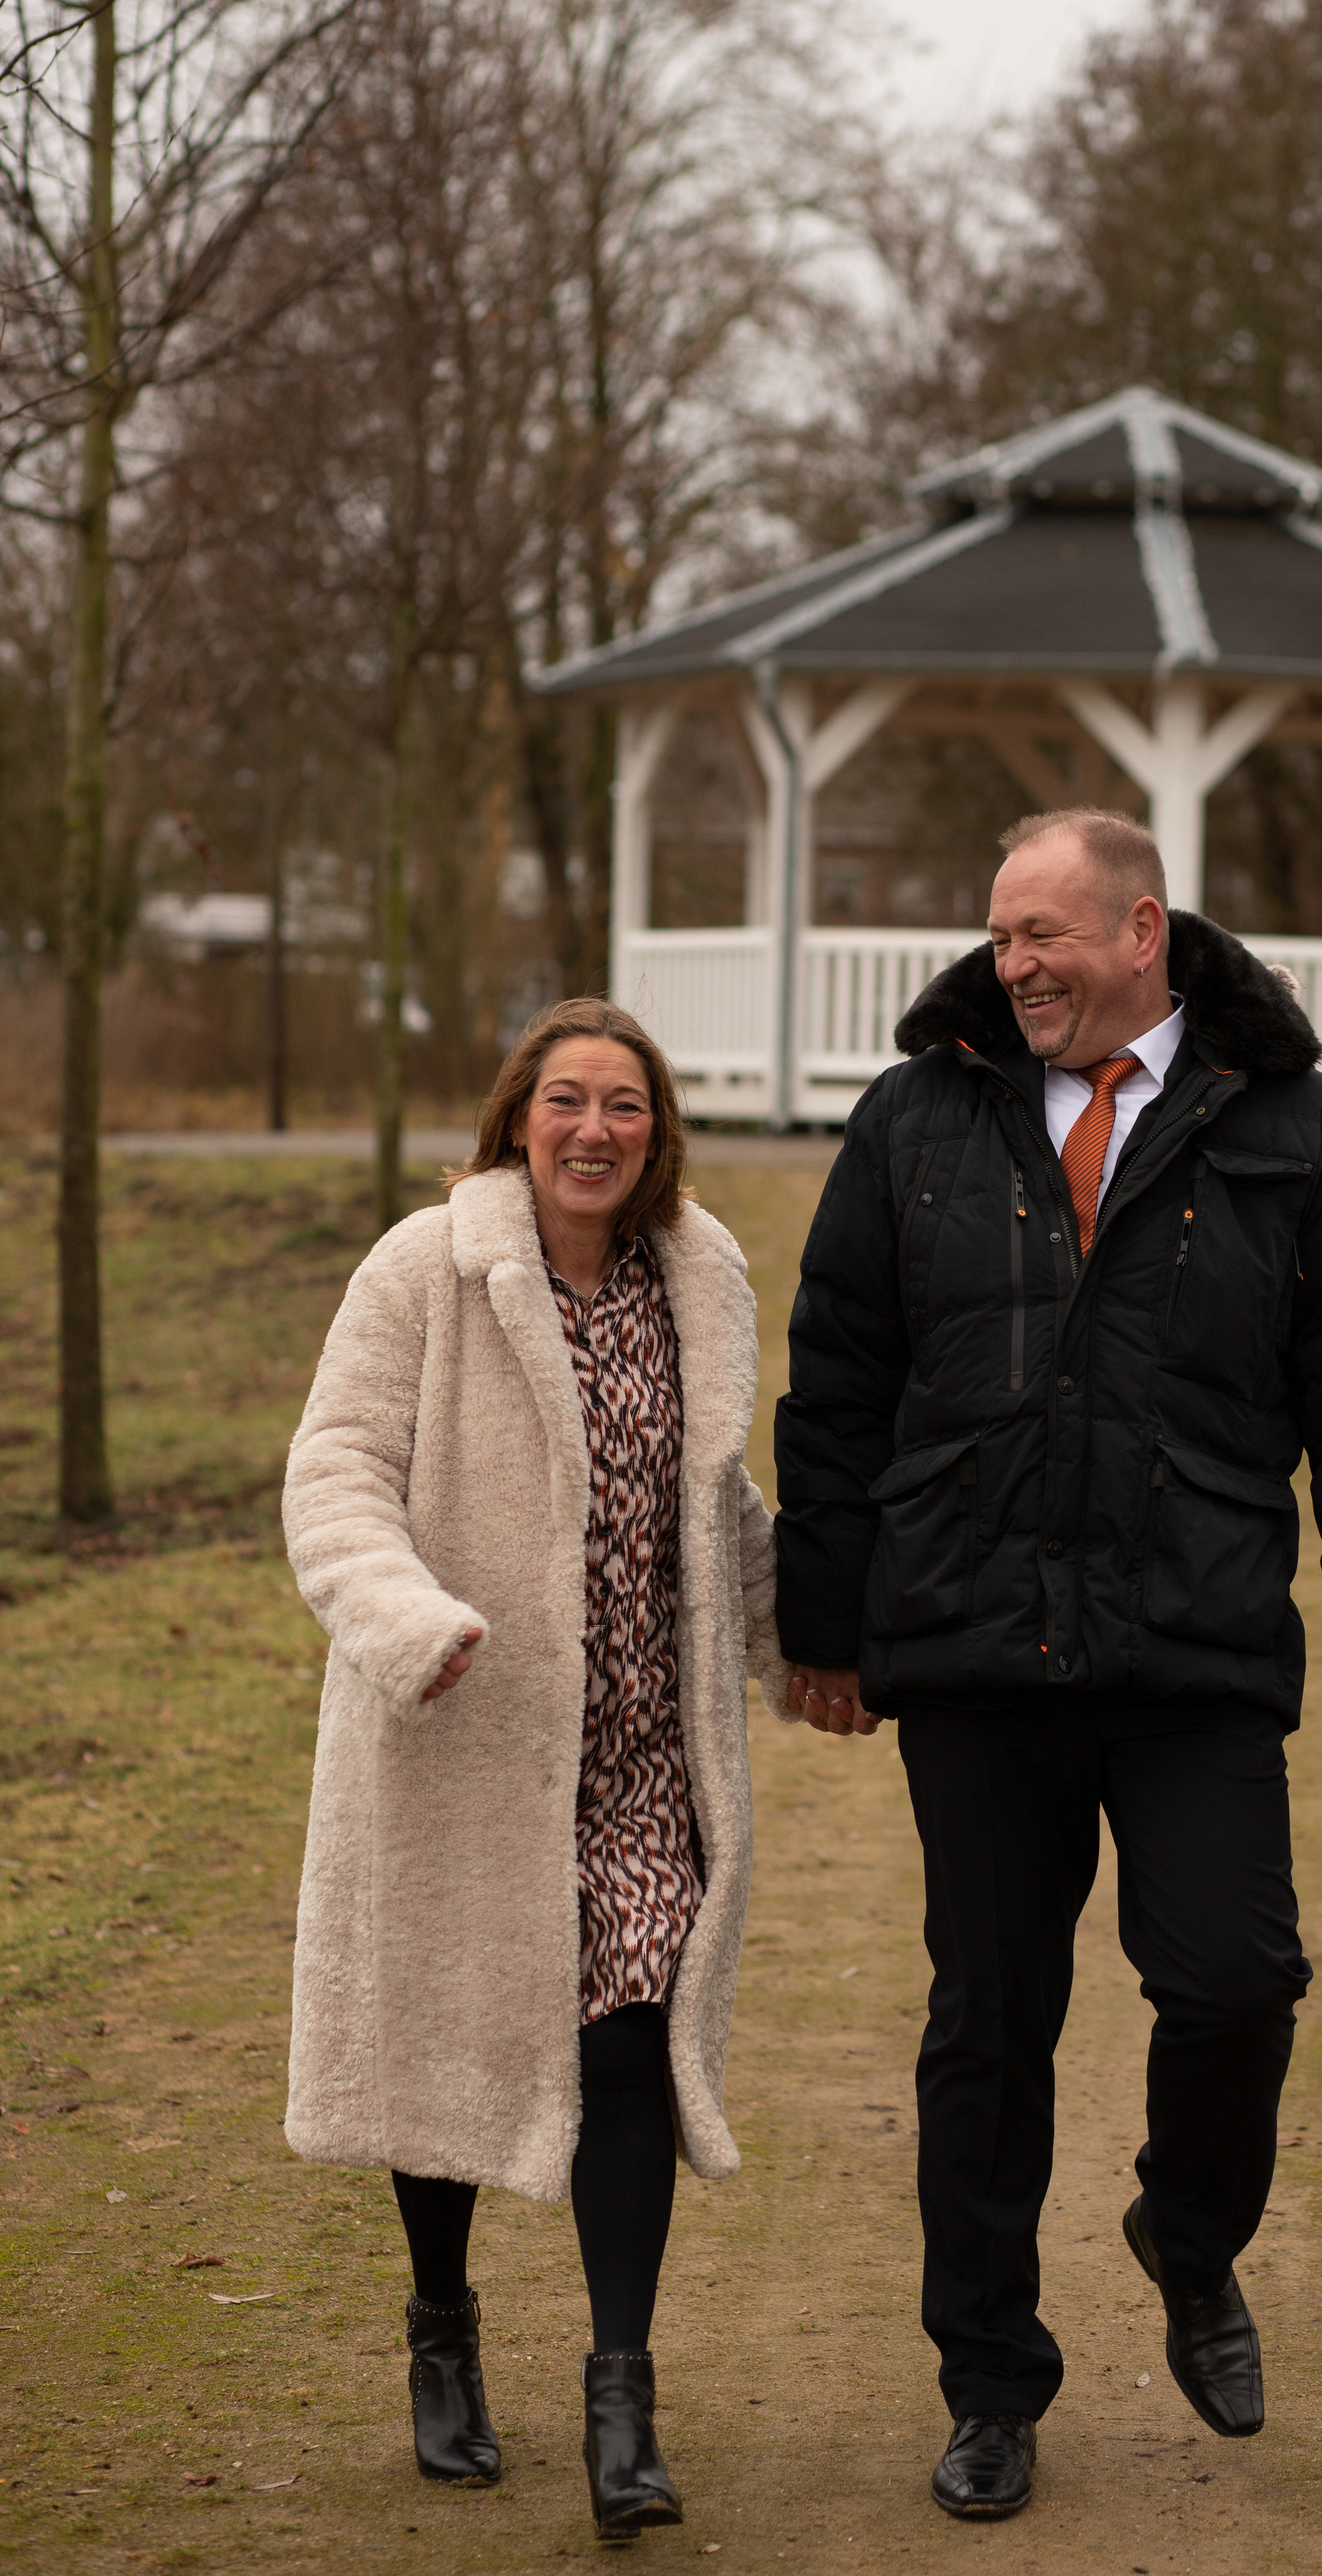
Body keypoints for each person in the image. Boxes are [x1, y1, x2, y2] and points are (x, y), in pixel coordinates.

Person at [770, 807, 1322, 2521]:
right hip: (975, 1646)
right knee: (987, 2030)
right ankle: (990, 2384)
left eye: (1043, 935)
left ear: (1140, 928)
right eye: (999, 938)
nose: (1014, 968)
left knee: (1234, 1985)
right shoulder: (917, 1116)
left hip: (1193, 1645)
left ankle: (1185, 2230)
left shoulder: (1297, 1131)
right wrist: (826, 1627)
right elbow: (837, 1389)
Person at [282, 997, 787, 2541]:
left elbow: (719, 1502)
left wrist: (810, 1645)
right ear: (516, 1121)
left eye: (624, 1106)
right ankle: (441, 2331)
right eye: (564, 1101)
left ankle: (619, 2400)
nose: (592, 1130)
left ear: (658, 1133)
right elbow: (336, 1470)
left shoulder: (697, 1279)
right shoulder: (423, 1268)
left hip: (642, 1753)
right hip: (467, 1735)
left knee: (630, 2046)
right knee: (449, 2045)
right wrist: (403, 1616)